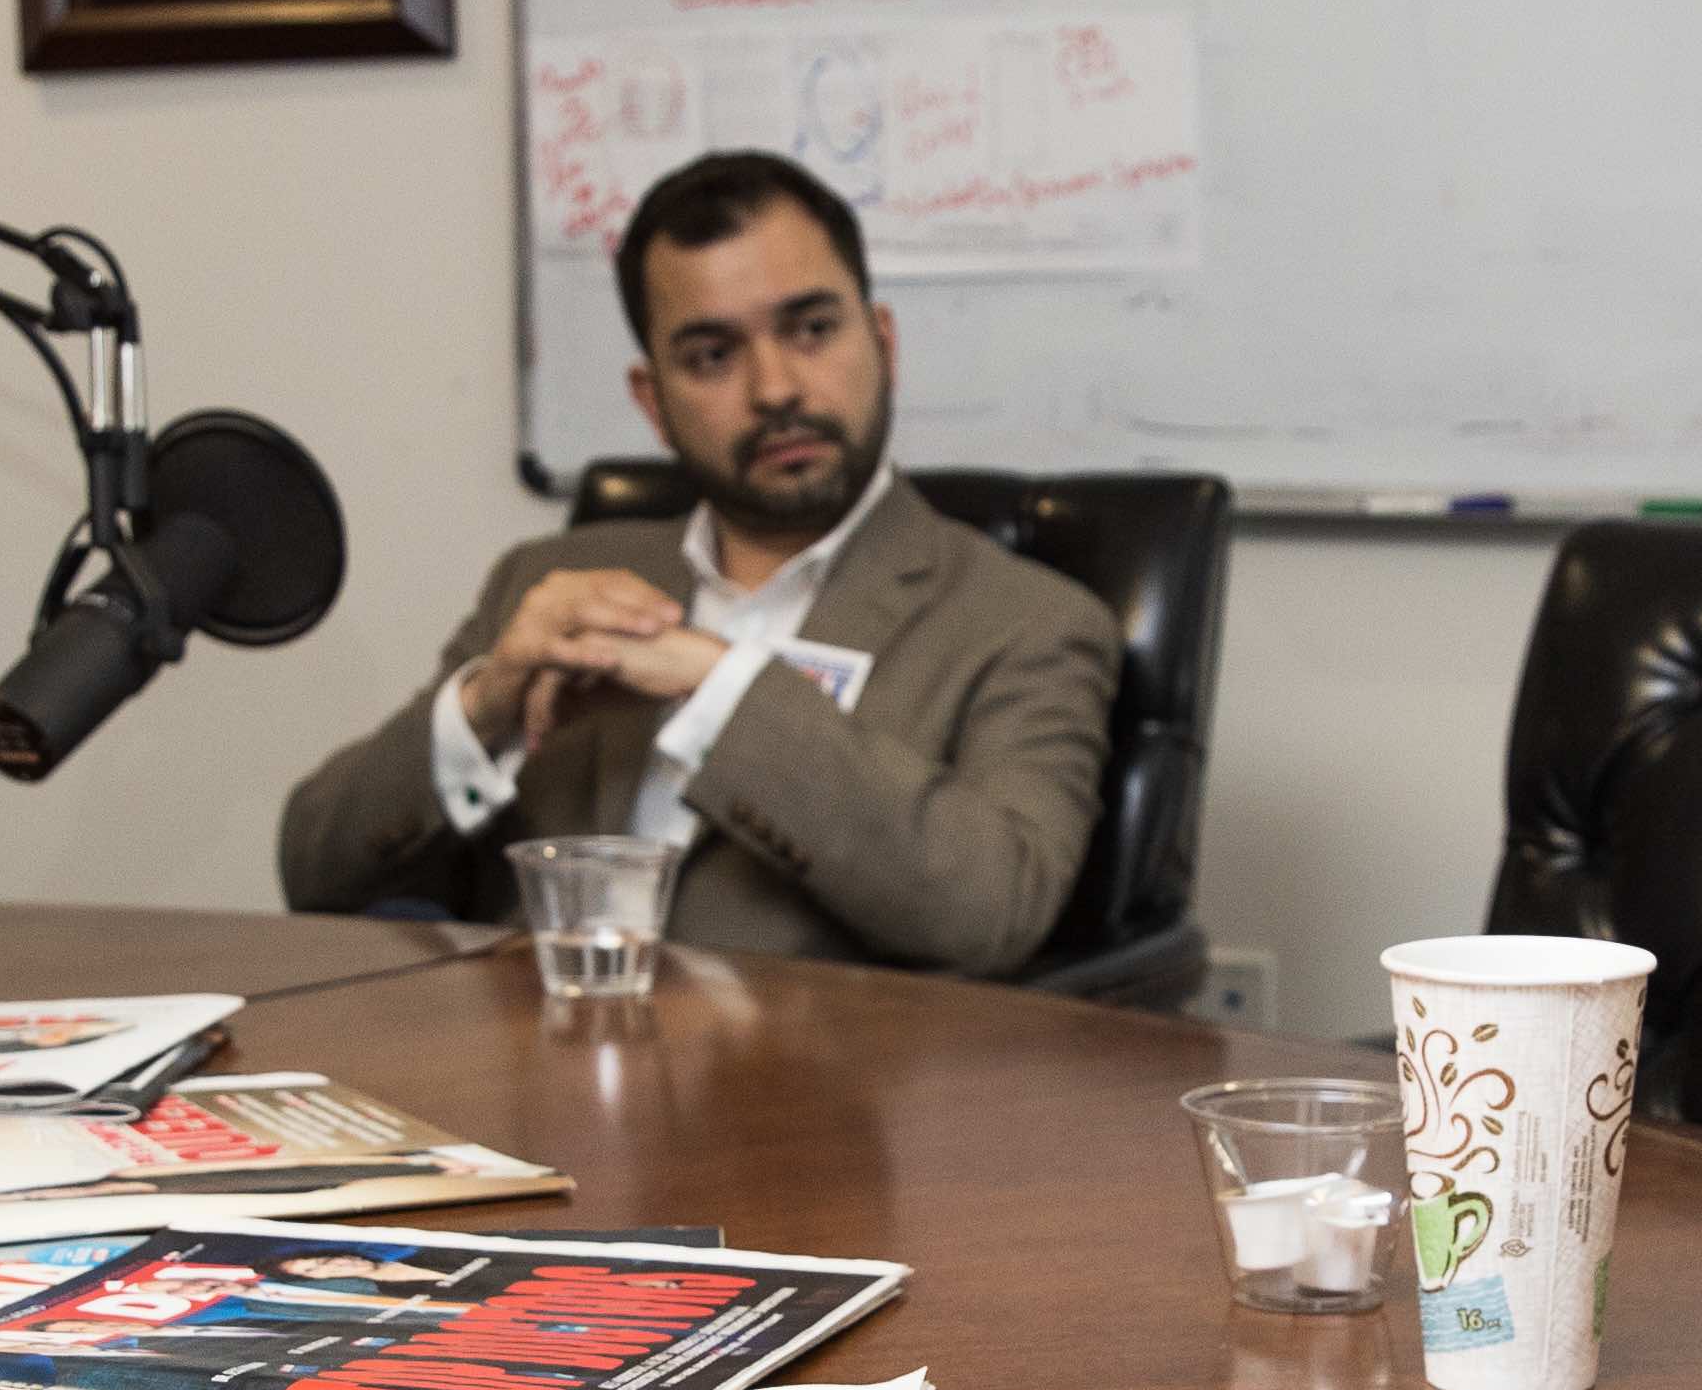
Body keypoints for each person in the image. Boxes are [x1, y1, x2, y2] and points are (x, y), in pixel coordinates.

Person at [276, 150, 1114, 975]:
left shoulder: (1027, 623)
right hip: (517, 1079)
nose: (777, 388)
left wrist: (721, 689)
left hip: (812, 1098)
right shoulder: (553, 581)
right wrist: (484, 705)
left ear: (883, 341)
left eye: (812, 329)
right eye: (713, 355)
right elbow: (316, 872)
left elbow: (993, 909)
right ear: (654, 401)